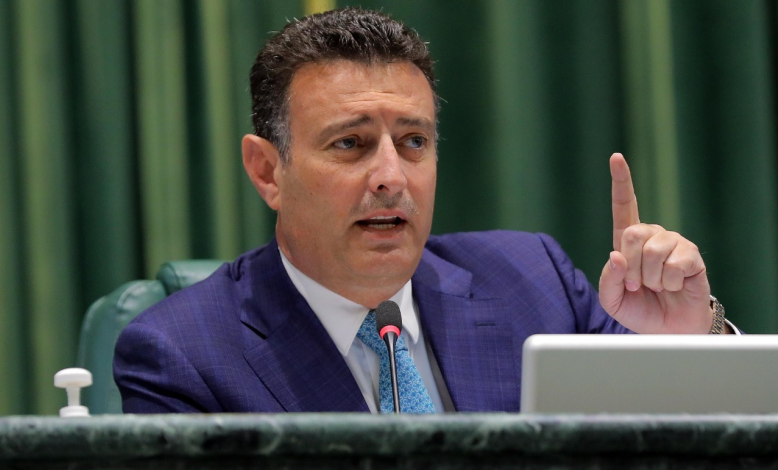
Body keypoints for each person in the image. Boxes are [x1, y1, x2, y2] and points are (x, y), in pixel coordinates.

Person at [114, 8, 735, 414]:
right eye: (350, 143)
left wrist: (691, 340)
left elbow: (692, 440)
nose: (391, 177)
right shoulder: (181, 356)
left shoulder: (532, 280)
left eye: (413, 141)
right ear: (267, 171)